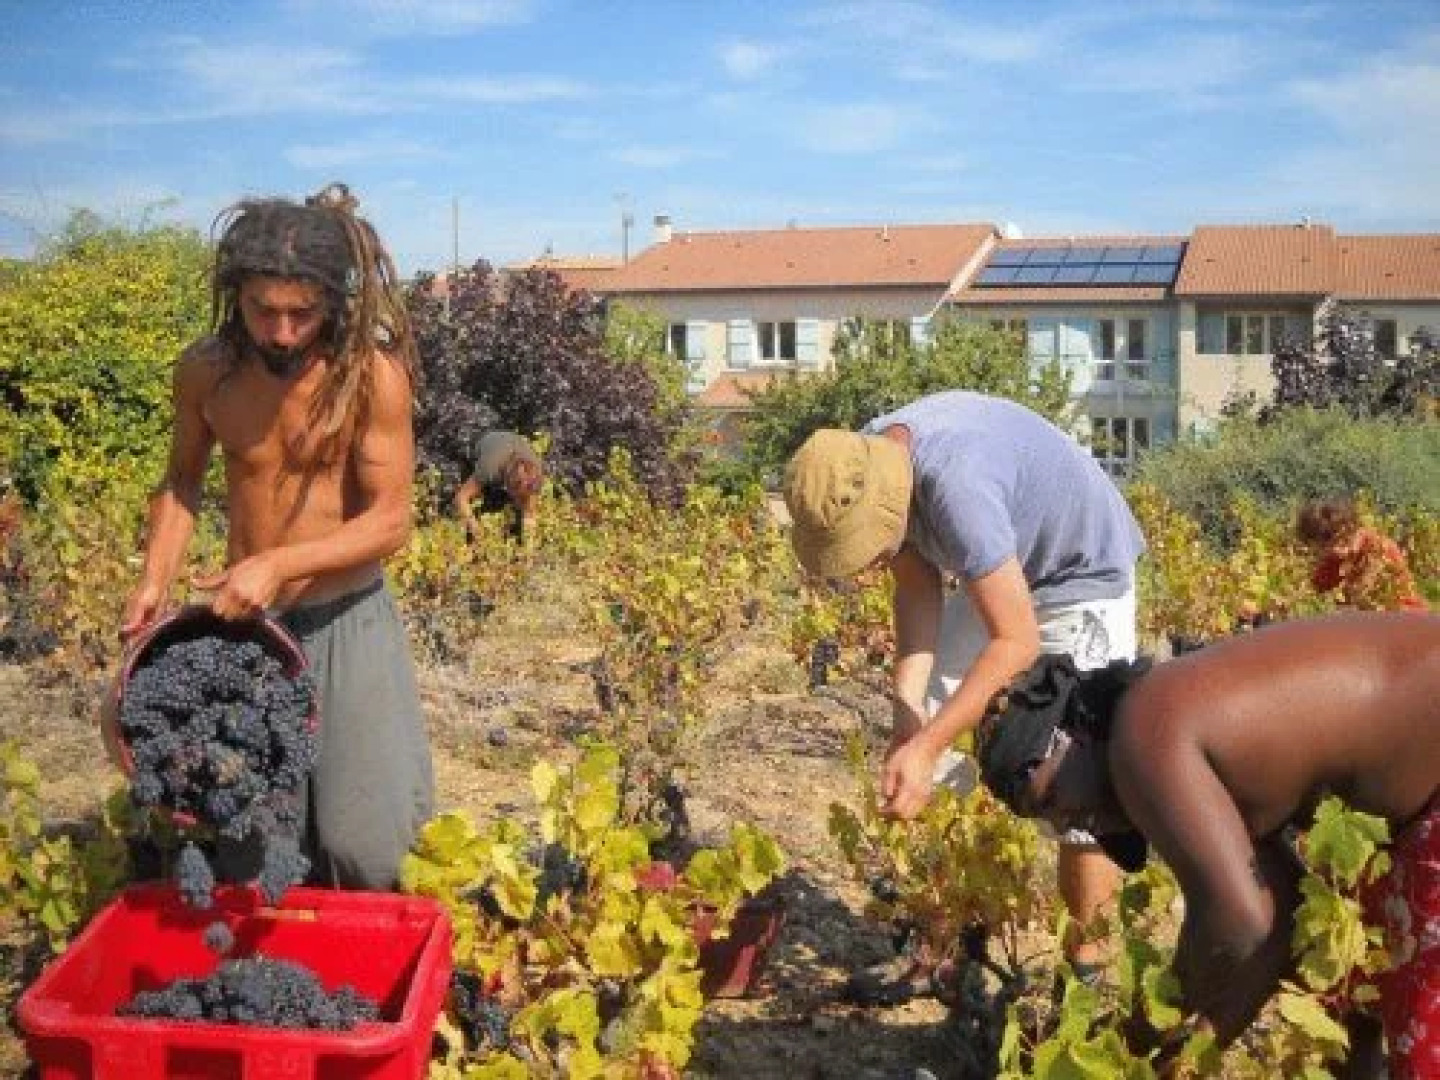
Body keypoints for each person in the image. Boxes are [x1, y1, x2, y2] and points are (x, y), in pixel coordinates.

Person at [114, 182, 434, 891]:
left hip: (348, 621)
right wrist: (153, 581)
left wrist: (277, 563)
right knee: (254, 850)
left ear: (334, 301)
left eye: (303, 314)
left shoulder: (369, 378)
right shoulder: (205, 372)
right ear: (237, 295)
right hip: (248, 632)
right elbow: (182, 482)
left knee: (371, 848)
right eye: (265, 311)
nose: (283, 332)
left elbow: (390, 520)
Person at [782, 390, 1146, 999]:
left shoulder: (957, 487)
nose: (864, 564)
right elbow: (915, 586)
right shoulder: (870, 456)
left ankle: (1089, 981)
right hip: (1006, 573)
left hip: (1082, 578)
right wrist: (910, 713)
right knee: (933, 752)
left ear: (888, 504)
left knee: (1081, 783)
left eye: (865, 546)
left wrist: (928, 745)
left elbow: (1016, 641)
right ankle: (939, 948)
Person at [975, 611, 1439, 1079]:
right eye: (1050, 821)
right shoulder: (1185, 739)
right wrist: (1176, 1061)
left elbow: (1237, 923)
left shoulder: (1140, 737)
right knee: (1361, 989)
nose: (1068, 819)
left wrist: (1132, 1034)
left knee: (1421, 1045)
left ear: (1074, 735)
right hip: (1416, 813)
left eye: (1052, 796)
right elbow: (1276, 933)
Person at [1296, 497, 1426, 611]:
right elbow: (1316, 597)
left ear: (1348, 529)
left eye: (1336, 541)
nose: (1332, 550)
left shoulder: (1380, 550)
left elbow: (1376, 601)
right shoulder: (1330, 563)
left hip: (1405, 622)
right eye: (1320, 547)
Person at [452, 430, 543, 547]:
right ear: (509, 486)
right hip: (483, 442)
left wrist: (529, 550)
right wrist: (474, 527)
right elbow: (460, 498)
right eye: (519, 496)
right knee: (475, 507)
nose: (521, 500)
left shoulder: (535, 475)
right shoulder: (489, 468)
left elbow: (530, 514)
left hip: (511, 442)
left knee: (519, 517)